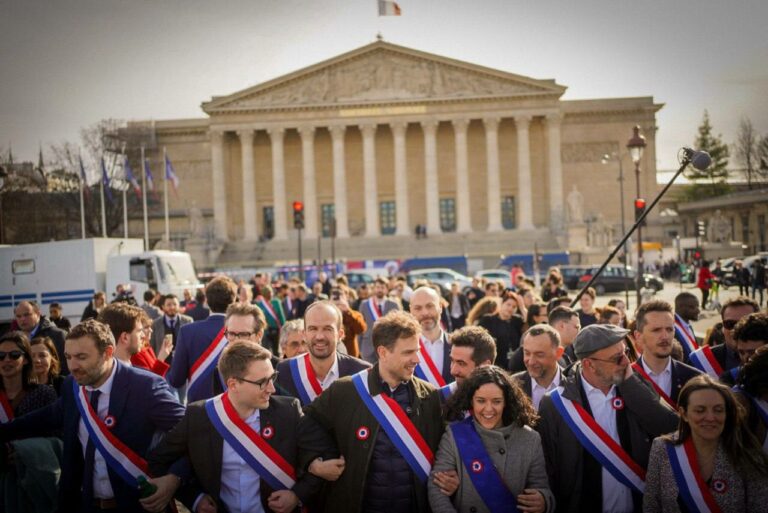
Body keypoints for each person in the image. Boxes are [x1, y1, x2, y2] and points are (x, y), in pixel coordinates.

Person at [0, 319, 186, 512]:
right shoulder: (73, 385)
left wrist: (174, 478)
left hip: (142, 505)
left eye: (81, 357)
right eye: (68, 357)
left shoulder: (146, 387)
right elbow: (44, 417)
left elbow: (191, 432)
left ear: (107, 353)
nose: (72, 366)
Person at [148, 341, 328, 513]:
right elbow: (159, 459)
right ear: (233, 384)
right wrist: (194, 498)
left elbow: (324, 455)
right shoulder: (200, 415)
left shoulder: (288, 411)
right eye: (263, 382)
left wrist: (296, 496)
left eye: (273, 377)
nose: (272, 388)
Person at [301, 310, 444, 512]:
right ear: (383, 352)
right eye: (408, 352)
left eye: (417, 350)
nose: (417, 359)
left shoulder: (429, 397)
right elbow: (305, 426)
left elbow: (445, 449)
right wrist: (314, 463)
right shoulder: (345, 391)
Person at [537, 323, 678, 513]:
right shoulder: (555, 403)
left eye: (626, 352)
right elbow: (549, 469)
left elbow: (671, 428)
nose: (627, 362)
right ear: (589, 364)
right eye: (617, 358)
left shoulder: (635, 383)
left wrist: (631, 386)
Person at [429, 366, 555, 513]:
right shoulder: (455, 434)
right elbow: (437, 488)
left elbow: (541, 487)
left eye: (496, 401)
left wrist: (543, 501)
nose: (488, 409)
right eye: (481, 401)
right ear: (471, 401)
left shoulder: (530, 439)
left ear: (506, 402)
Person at [644, 375, 768, 512]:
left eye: (718, 410)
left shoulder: (747, 455)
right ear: (683, 414)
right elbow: (651, 506)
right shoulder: (662, 448)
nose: (710, 417)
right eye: (700, 410)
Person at [276, 301, 370, 406]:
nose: (319, 336)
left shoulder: (361, 373)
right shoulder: (285, 371)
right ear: (304, 334)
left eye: (327, 329)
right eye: (313, 329)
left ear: (340, 334)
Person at [169, 276, 238, 403]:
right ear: (233, 301)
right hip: (234, 409)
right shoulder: (243, 332)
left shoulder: (187, 331)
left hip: (199, 408)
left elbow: (176, 380)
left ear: (206, 300)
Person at [630, 300, 702, 409]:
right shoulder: (626, 379)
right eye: (656, 330)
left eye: (669, 329)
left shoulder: (695, 379)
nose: (665, 336)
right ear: (638, 336)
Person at [687, 296, 760, 378]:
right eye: (730, 324)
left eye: (746, 323)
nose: (737, 329)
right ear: (722, 327)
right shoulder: (699, 361)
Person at [0, 331, 57, 419]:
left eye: (14, 355)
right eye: (1, 355)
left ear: (26, 359)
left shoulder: (44, 394)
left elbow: (55, 431)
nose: (7, 359)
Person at [513, 324, 564, 411]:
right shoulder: (512, 386)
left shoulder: (574, 385)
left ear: (558, 353)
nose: (531, 361)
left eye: (539, 355)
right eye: (527, 353)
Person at [410, 286, 454, 386]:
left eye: (430, 306)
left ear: (440, 307)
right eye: (418, 308)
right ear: (411, 311)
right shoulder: (402, 349)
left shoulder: (456, 344)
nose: (425, 313)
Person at [11, 300, 68, 375]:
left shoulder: (57, 335)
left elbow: (65, 367)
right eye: (18, 316)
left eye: (27, 315)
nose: (22, 319)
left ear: (38, 314)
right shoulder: (14, 338)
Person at [477, 290, 525, 371]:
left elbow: (531, 323)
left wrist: (522, 306)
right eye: (508, 304)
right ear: (502, 303)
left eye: (514, 307)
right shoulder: (488, 320)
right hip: (495, 365)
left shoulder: (517, 320)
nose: (510, 308)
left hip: (514, 366)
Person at [359, 277, 400, 363]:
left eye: (382, 287)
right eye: (377, 287)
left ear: (387, 289)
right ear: (374, 289)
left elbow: (398, 326)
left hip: (388, 346)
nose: (380, 290)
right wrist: (359, 346)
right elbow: (361, 326)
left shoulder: (393, 305)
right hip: (368, 347)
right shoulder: (365, 304)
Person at [131, 312, 173, 377]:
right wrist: (161, 358)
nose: (151, 330)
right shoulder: (136, 352)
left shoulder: (146, 346)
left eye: (150, 327)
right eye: (146, 327)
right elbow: (150, 380)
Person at [332, 286, 367, 358]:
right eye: (335, 296)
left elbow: (361, 330)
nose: (338, 298)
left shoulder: (354, 314)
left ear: (346, 297)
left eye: (341, 295)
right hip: (331, 355)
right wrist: (330, 307)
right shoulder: (326, 313)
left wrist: (348, 311)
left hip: (350, 355)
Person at [257, 285, 287, 354]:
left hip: (275, 330)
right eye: (268, 293)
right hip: (266, 331)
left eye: (270, 293)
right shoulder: (260, 304)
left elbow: (281, 316)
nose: (270, 295)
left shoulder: (276, 302)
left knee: (276, 350)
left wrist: (284, 328)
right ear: (263, 294)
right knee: (266, 350)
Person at [673, 291, 701, 359]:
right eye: (692, 307)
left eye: (698, 306)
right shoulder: (672, 328)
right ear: (680, 307)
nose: (698, 311)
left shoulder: (687, 326)